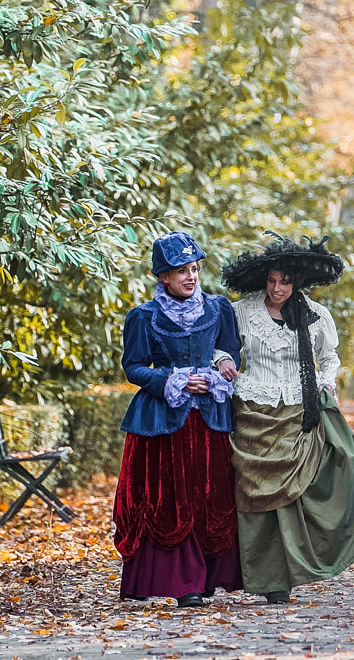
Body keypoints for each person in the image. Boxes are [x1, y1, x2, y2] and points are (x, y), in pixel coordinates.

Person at [219, 234, 354, 604]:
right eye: (272, 280)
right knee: (255, 497)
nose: (277, 288)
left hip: (298, 410)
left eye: (286, 281)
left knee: (298, 495)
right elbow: (224, 348)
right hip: (253, 411)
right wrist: (224, 362)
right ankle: (266, 576)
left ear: (298, 282)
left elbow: (329, 356)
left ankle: (292, 572)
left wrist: (326, 379)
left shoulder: (316, 315)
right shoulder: (241, 311)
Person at [114, 231, 243, 607]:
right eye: (180, 271)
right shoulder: (143, 317)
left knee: (212, 495)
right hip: (164, 422)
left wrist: (222, 368)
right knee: (171, 498)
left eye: (194, 269)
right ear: (163, 278)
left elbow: (230, 351)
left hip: (209, 419)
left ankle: (208, 577)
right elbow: (134, 368)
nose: (190, 277)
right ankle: (181, 583)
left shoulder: (219, 309)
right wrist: (172, 379)